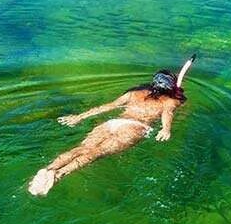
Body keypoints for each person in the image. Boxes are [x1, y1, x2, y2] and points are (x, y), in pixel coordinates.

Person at [28, 57, 193, 196]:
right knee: (96, 152)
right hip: (134, 127)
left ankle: (50, 168)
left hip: (112, 123)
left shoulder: (133, 93)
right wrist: (166, 128)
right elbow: (168, 113)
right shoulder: (170, 101)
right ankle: (58, 175)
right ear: (171, 87)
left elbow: (107, 107)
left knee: (83, 147)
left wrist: (79, 117)